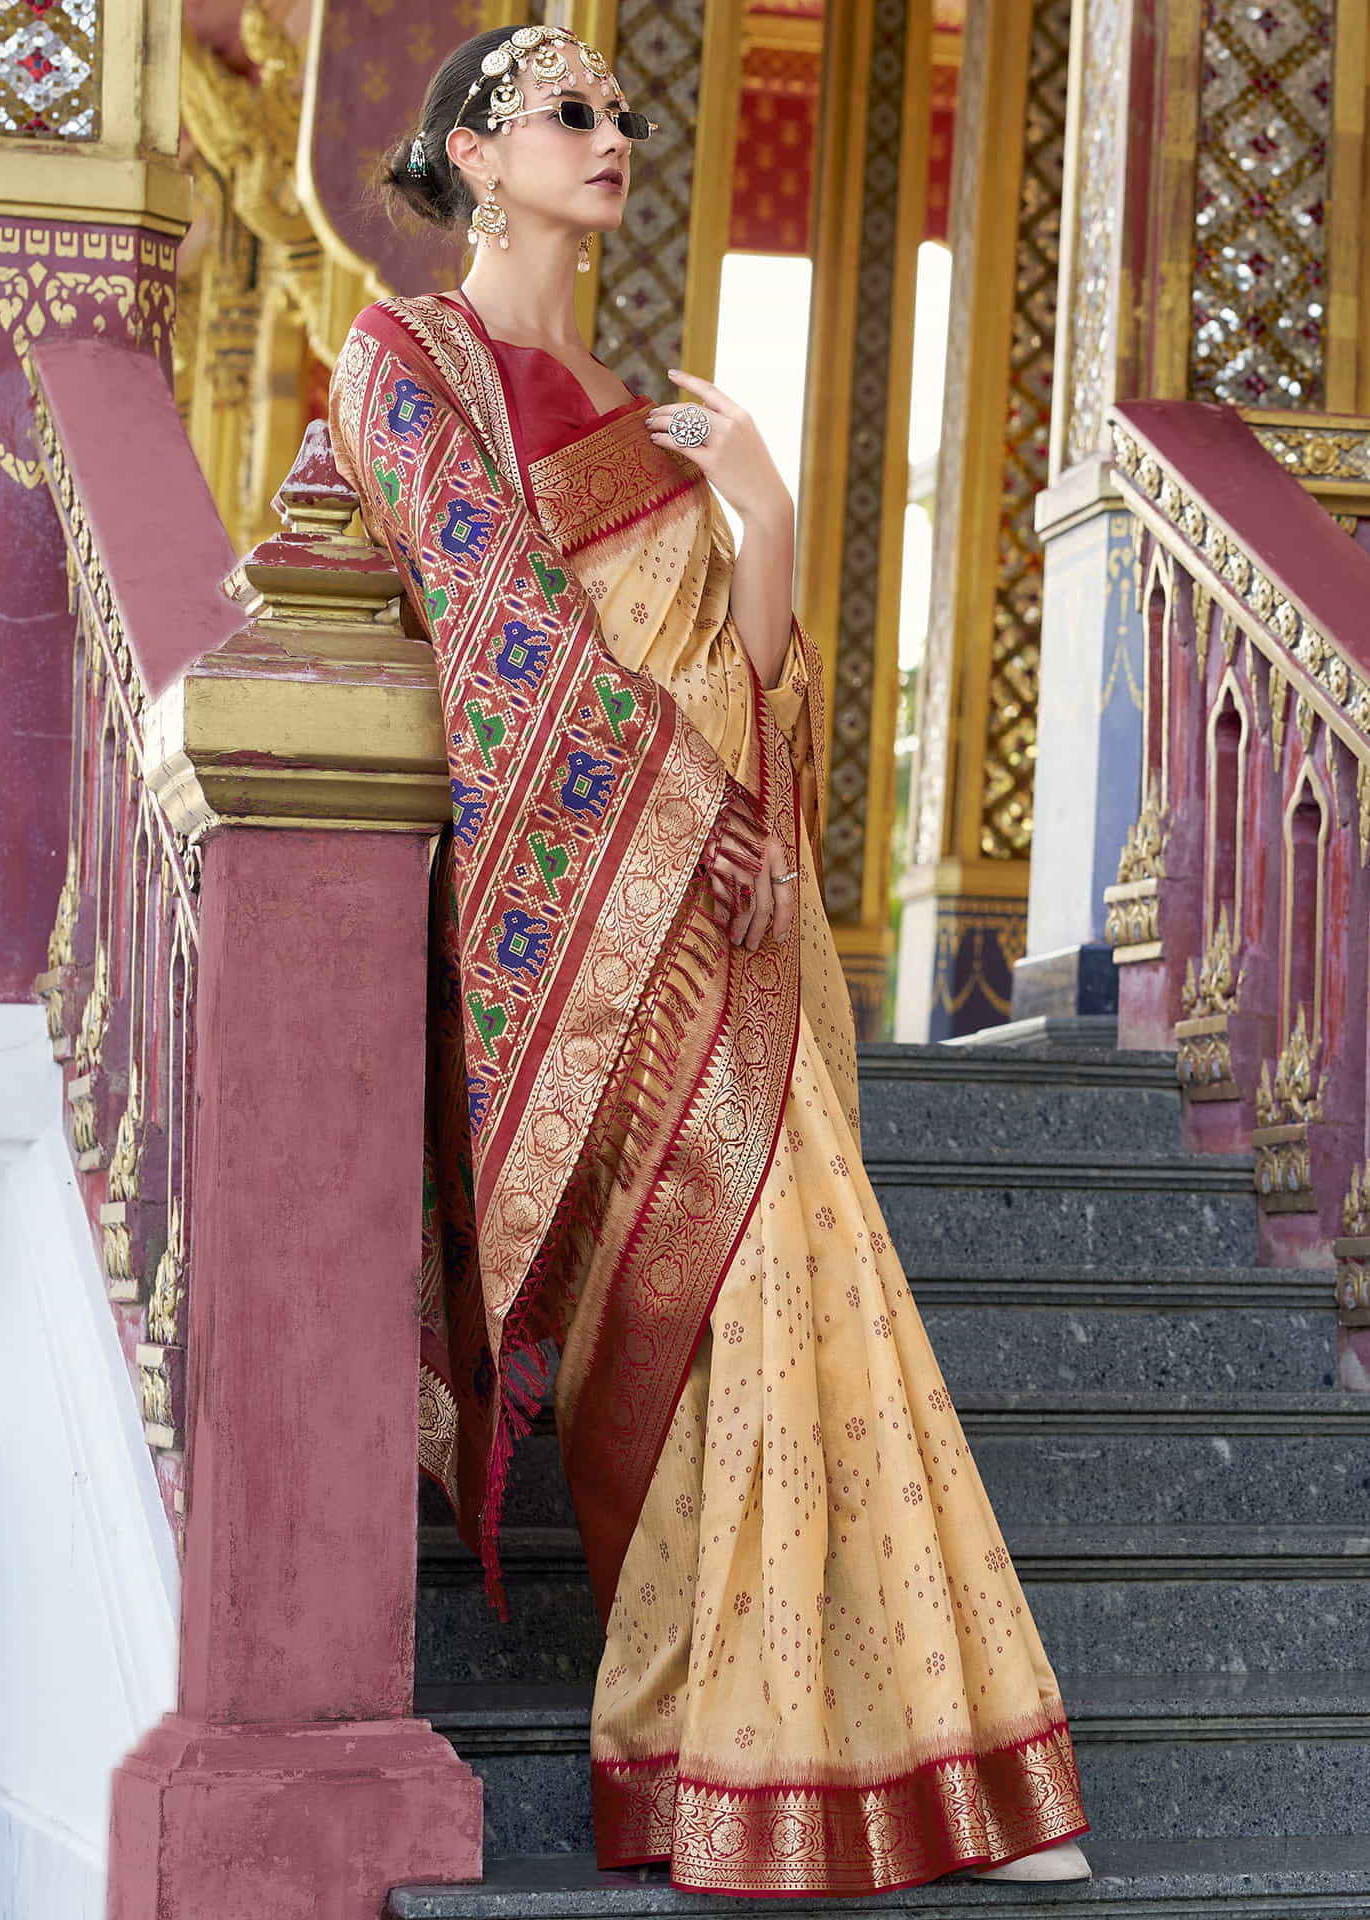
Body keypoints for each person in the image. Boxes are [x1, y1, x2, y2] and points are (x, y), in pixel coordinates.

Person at [328, 21, 1092, 1898]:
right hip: (581, 925)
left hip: (709, 897)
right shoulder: (406, 361)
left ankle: (901, 1753)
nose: (612, 137)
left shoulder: (635, 392)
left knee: (809, 1276)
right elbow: (499, 639)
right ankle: (729, 1743)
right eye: (570, 112)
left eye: (619, 111)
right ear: (475, 152)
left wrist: (754, 502)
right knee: (738, 1294)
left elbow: (746, 667)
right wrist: (683, 813)